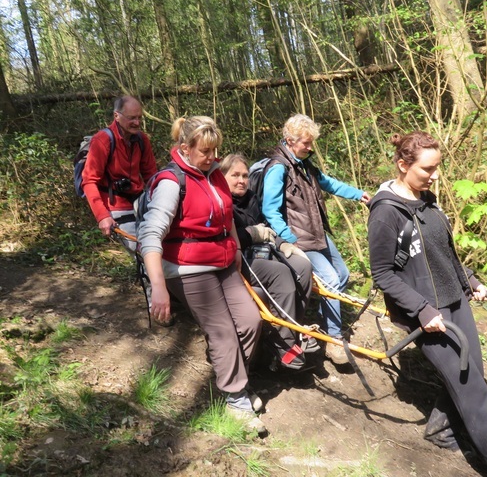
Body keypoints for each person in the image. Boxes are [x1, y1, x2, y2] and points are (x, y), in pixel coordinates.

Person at [367, 131, 487, 477]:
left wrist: (468, 279)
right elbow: (382, 273)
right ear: (403, 165)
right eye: (428, 169)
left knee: (472, 375)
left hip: (455, 301)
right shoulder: (385, 213)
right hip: (425, 312)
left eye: (438, 167)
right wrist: (423, 310)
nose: (435, 175)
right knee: (476, 396)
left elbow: (442, 251)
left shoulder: (428, 199)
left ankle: (440, 429)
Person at [137, 116, 266, 434]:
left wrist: (235, 248)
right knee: (222, 332)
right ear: (185, 148)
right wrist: (158, 287)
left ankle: (230, 378)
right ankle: (236, 398)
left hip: (223, 262)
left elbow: (227, 216)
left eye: (215, 151)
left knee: (251, 320)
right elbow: (150, 236)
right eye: (206, 151)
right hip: (186, 267)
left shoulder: (215, 175)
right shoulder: (171, 182)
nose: (213, 158)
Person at [261, 114, 370, 365]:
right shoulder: (278, 168)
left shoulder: (305, 164)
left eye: (311, 143)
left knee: (341, 275)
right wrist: (289, 239)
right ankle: (333, 340)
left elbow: (329, 184)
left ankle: (323, 323)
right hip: (299, 238)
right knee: (330, 281)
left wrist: (359, 195)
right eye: (306, 143)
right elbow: (270, 209)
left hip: (317, 232)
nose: (311, 148)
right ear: (290, 140)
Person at [221, 153, 319, 370]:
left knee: (303, 266)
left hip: (262, 252)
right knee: (279, 273)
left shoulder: (252, 199)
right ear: (222, 176)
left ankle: (293, 328)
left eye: (245, 175)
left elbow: (268, 227)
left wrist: (284, 243)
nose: (242, 180)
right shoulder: (221, 202)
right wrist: (251, 234)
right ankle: (283, 344)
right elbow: (227, 238)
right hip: (238, 259)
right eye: (235, 175)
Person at [81, 95, 157, 253]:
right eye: (131, 118)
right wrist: (102, 216)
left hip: (141, 203)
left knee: (158, 249)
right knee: (144, 252)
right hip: (116, 208)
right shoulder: (102, 141)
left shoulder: (142, 140)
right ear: (117, 116)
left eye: (139, 117)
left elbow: (151, 176)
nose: (137, 123)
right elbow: (89, 181)